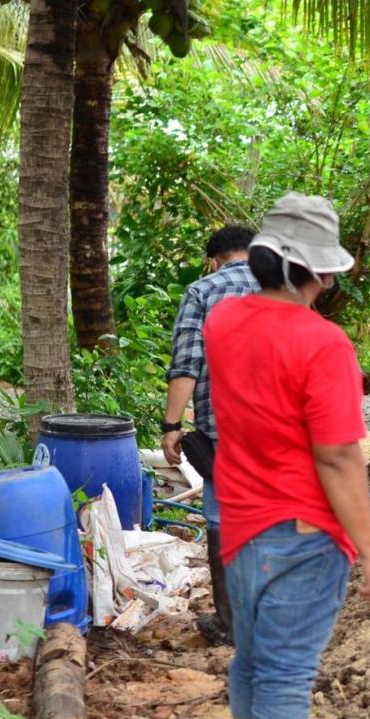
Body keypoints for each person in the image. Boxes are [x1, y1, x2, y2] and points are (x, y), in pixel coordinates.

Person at [204, 193, 370, 719]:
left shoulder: (222, 322)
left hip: (238, 523)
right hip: (303, 532)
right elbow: (338, 457)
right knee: (285, 671)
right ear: (312, 270)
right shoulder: (323, 344)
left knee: (250, 661)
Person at [162, 224, 259, 646]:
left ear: (215, 259)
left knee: (222, 520)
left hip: (225, 428)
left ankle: (231, 626)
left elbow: (188, 363)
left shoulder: (203, 291)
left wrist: (171, 425)